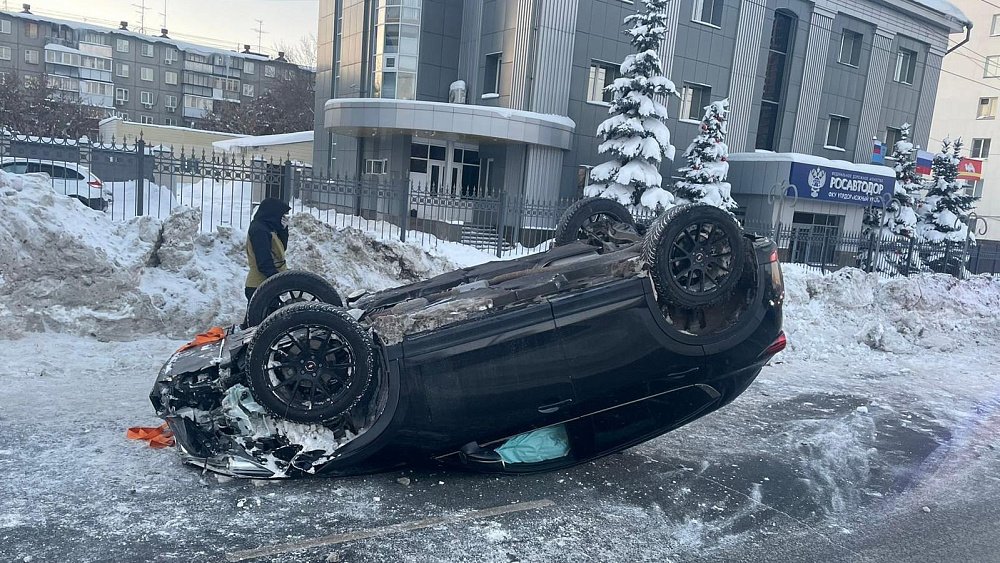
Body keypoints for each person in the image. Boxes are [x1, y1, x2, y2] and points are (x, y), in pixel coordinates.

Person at [245, 197, 291, 301]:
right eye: (281, 215)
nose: (283, 217)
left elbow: (280, 251)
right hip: (259, 285)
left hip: (267, 285)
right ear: (273, 214)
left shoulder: (268, 228)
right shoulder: (259, 231)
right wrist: (278, 282)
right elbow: (264, 262)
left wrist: (283, 230)